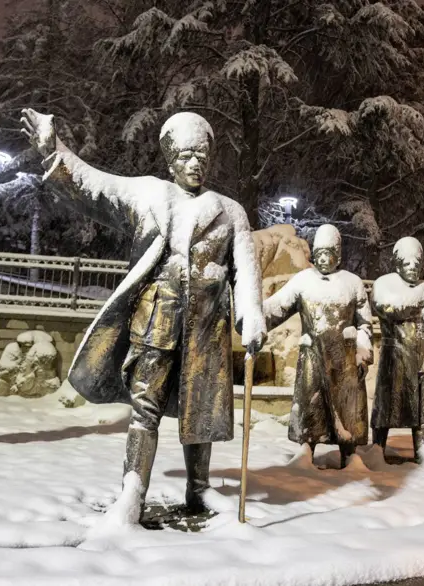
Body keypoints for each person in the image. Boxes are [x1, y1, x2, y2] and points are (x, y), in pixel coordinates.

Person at [21, 108, 266, 521]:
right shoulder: (149, 194)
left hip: (206, 326)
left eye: (202, 157)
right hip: (155, 322)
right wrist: (52, 150)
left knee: (199, 408)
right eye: (187, 156)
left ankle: (199, 488)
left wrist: (252, 312)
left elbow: (246, 268)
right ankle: (132, 490)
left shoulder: (231, 211)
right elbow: (93, 186)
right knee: (145, 406)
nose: (195, 164)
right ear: (171, 161)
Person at [263, 225, 373, 468]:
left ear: (338, 254)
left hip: (345, 359)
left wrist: (364, 353)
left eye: (329, 253)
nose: (324, 258)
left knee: (347, 408)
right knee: (311, 404)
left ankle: (349, 453)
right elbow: (278, 306)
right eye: (320, 253)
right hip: (313, 355)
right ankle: (306, 448)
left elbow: (365, 324)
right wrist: (255, 315)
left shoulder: (352, 283)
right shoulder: (303, 280)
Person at [370, 237, 424, 462]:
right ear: (397, 265)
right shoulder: (384, 283)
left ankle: (422, 449)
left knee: (423, 408)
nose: (413, 270)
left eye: (417, 265)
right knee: (386, 406)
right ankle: (377, 448)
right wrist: (419, 304)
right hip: (395, 356)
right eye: (408, 265)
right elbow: (387, 307)